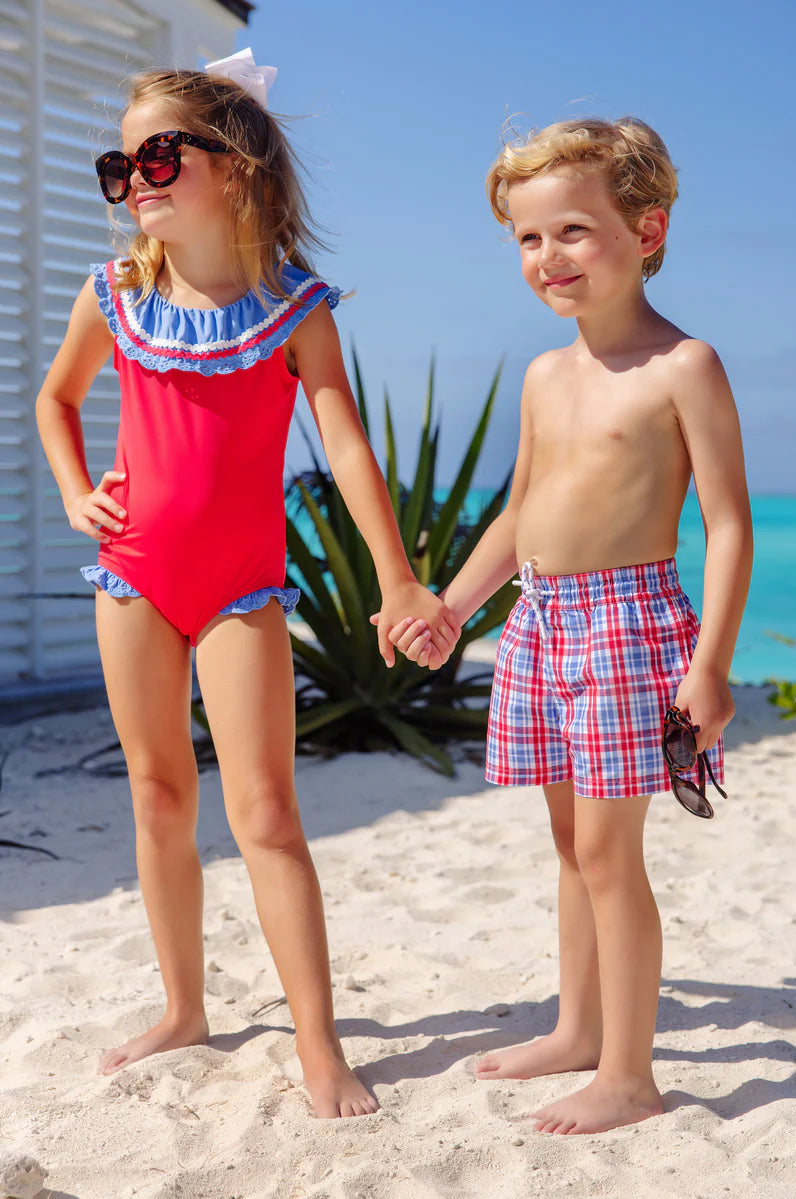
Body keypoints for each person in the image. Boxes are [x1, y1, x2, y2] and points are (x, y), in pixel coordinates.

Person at [36, 49, 458, 1119]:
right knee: (157, 794)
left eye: (158, 157)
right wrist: (77, 492)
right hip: (132, 579)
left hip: (241, 590)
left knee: (266, 810)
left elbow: (347, 447)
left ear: (235, 166)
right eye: (120, 165)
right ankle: (184, 1008)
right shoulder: (114, 294)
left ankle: (319, 1043)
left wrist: (398, 578)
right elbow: (56, 399)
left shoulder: (295, 307)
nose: (135, 180)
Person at [385, 117, 752, 1134]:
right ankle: (580, 1027)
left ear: (647, 230)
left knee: (608, 852)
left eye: (573, 231)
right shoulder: (543, 376)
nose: (547, 255)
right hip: (543, 621)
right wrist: (453, 607)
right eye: (527, 237)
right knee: (568, 844)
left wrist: (711, 665)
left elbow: (727, 525)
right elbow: (519, 514)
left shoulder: (683, 364)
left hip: (629, 623)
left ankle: (630, 1076)